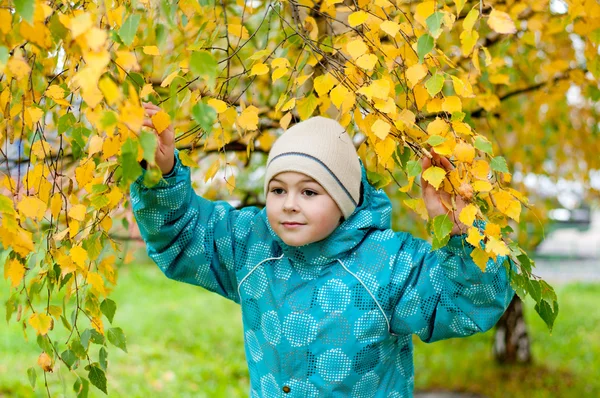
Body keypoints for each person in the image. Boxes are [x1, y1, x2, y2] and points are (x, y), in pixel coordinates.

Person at [131, 103, 514, 397]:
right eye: (278, 189)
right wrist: (160, 173)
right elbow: (184, 235)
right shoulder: (253, 245)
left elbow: (464, 301)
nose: (289, 204)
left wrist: (464, 231)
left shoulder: (387, 264)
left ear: (344, 201)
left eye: (309, 191)